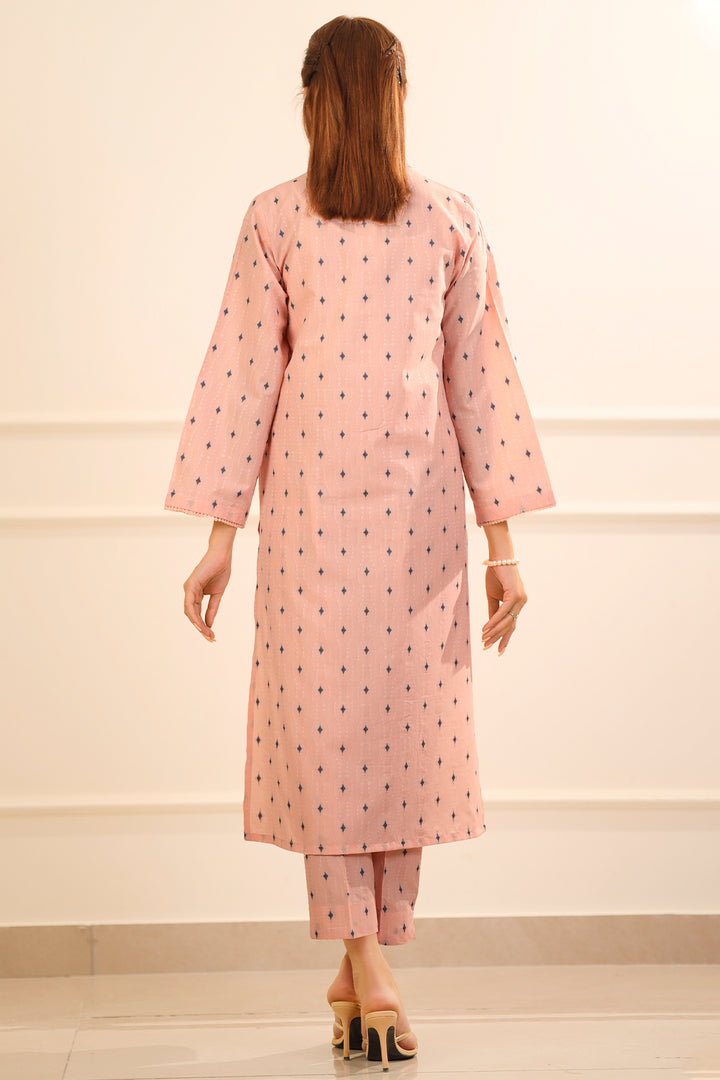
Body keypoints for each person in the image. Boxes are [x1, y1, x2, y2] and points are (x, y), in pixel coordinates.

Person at [164, 14, 556, 1069]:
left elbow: (480, 380)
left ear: (314, 99)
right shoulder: (274, 221)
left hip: (421, 527)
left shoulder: (451, 220)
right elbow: (244, 376)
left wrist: (503, 548)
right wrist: (221, 535)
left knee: (406, 738)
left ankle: (360, 962)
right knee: (325, 735)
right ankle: (369, 961)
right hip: (309, 529)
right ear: (395, 96)